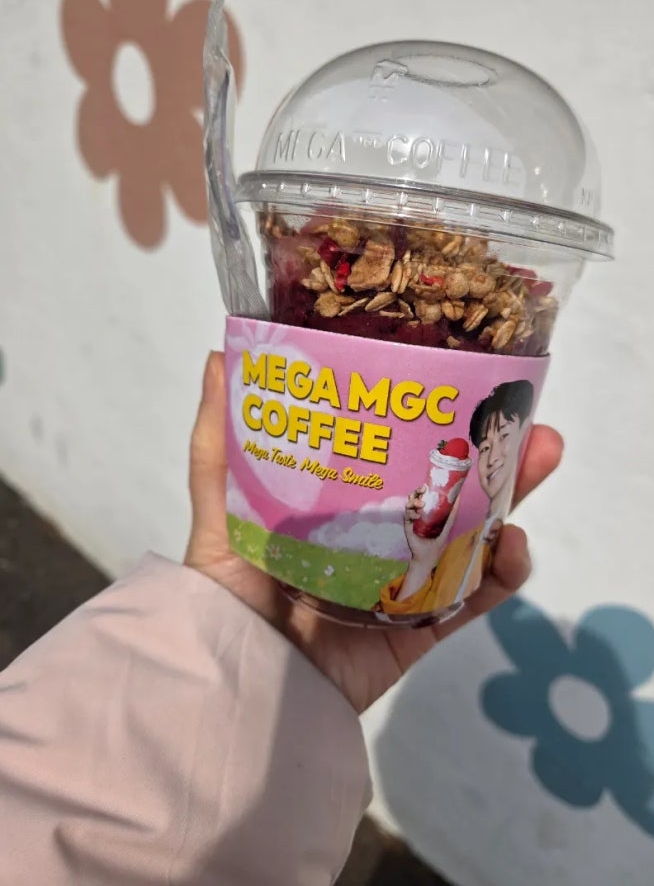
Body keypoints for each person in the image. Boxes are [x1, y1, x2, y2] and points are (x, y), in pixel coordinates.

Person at [0, 353, 562, 885]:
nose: (492, 456)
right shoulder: (447, 545)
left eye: (504, 438)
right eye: (485, 441)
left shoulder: (465, 547)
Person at [378, 380, 535, 616]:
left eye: (504, 435)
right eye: (485, 448)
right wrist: (423, 559)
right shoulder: (458, 549)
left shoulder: (477, 546)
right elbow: (400, 615)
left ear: (525, 434)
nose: (492, 458)